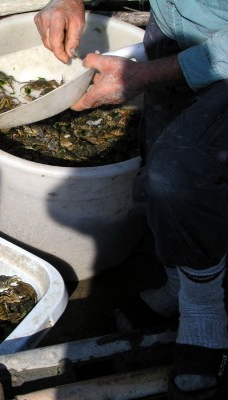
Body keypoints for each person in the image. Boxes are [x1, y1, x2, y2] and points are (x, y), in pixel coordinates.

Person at [34, 1, 228, 399]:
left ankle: (204, 307)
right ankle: (181, 283)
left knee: (176, 175)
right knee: (155, 152)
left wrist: (145, 74)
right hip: (176, 20)